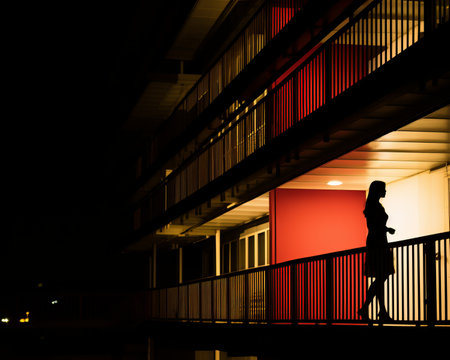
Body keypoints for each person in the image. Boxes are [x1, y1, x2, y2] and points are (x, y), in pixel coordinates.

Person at [358, 180, 395, 322]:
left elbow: (375, 225)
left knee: (380, 278)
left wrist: (386, 230)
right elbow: (373, 226)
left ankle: (375, 309)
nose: (385, 191)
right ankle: (377, 310)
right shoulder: (373, 206)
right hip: (377, 243)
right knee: (381, 277)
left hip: (379, 242)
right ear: (377, 190)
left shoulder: (375, 205)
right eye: (383, 189)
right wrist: (386, 229)